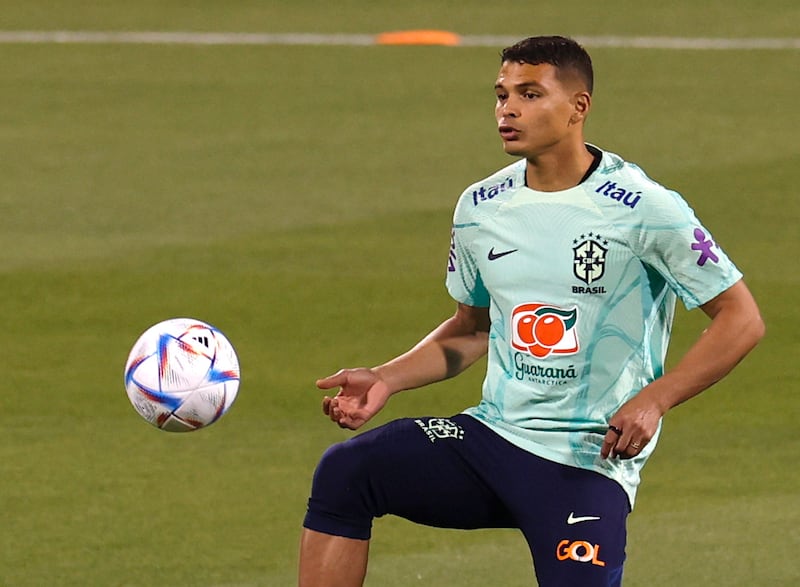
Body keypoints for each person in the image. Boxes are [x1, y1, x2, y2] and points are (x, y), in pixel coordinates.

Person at [297, 35, 764, 587]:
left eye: (529, 94)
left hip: (587, 462)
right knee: (348, 472)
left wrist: (654, 401)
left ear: (578, 107)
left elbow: (741, 318)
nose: (507, 109)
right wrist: (385, 378)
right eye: (500, 95)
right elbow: (470, 329)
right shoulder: (481, 206)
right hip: (492, 439)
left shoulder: (646, 208)